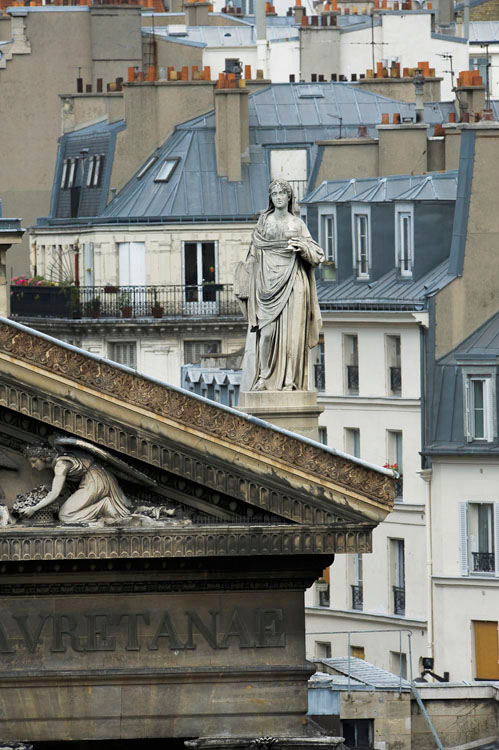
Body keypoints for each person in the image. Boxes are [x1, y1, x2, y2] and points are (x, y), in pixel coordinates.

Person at [236, 179, 324, 391]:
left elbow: (317, 254)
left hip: (293, 282)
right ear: (270, 198)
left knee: (293, 338)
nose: (278, 197)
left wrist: (302, 248)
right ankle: (265, 378)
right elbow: (252, 255)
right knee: (266, 335)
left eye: (282, 193)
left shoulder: (297, 224)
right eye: (274, 194)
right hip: (266, 285)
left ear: (288, 197)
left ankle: (289, 381)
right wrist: (246, 281)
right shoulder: (263, 223)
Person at [20, 443, 131, 524]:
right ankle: (104, 505)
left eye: (34, 461)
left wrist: (34, 508)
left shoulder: (60, 464)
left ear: (44, 457)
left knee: (65, 515)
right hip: (95, 478)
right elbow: (60, 488)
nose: (32, 466)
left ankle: (104, 506)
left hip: (94, 480)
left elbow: (55, 493)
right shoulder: (59, 461)